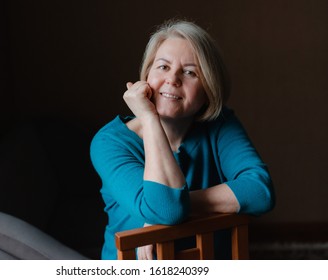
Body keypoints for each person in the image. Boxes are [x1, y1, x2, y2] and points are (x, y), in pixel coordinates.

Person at [90, 18, 275, 260]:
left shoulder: (220, 124)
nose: (173, 79)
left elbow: (260, 191)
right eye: (163, 67)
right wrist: (148, 118)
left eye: (189, 72)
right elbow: (166, 209)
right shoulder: (110, 142)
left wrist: (178, 205)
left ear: (208, 89)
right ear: (146, 75)